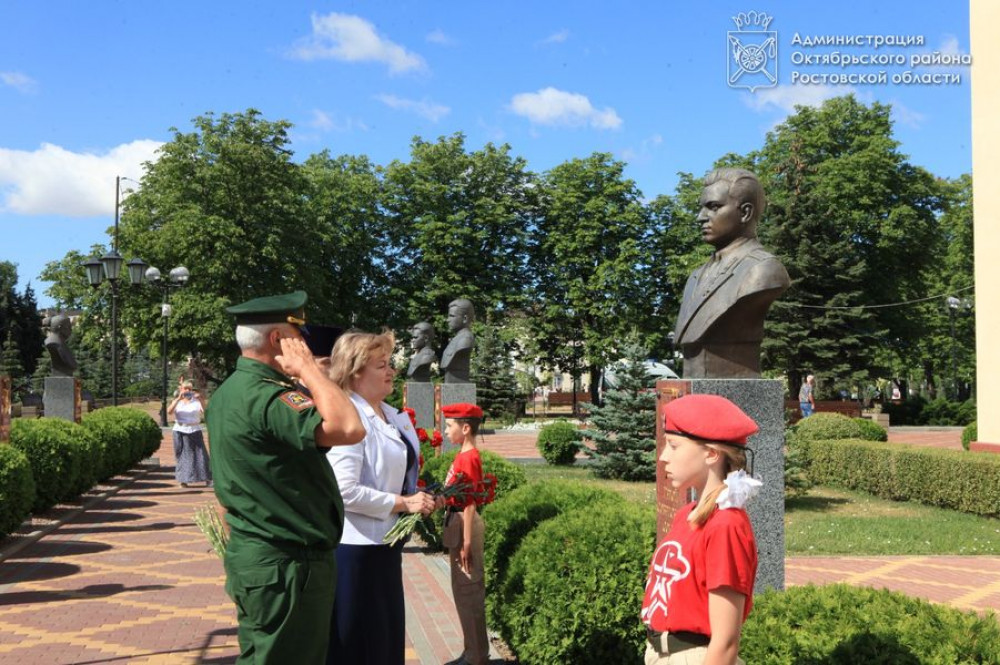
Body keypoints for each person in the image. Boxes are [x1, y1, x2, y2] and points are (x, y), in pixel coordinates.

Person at [207, 290, 365, 665]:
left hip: (264, 558)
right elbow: (348, 428)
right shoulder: (267, 395)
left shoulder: (229, 392)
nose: (305, 344)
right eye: (299, 335)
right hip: (288, 564)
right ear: (278, 339)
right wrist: (309, 370)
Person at [325, 330, 437, 665]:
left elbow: (399, 472)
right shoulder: (349, 416)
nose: (391, 371)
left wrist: (420, 495)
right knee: (357, 647)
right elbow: (343, 490)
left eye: (389, 363)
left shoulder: (389, 413)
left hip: (384, 546)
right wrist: (404, 503)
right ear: (355, 372)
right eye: (381, 365)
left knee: (384, 643)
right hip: (357, 550)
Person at [641, 394, 761, 665]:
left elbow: (725, 642)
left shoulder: (726, 525)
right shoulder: (687, 514)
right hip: (662, 654)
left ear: (711, 454)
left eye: (674, 446)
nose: (663, 457)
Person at [673, 168, 790, 378]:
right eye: (701, 208)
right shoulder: (695, 276)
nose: (701, 217)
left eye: (713, 207)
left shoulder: (762, 270)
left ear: (745, 213)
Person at [442, 402, 489, 665]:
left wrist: (467, 543)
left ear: (466, 428)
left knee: (469, 593)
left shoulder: (468, 457)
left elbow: (470, 502)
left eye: (450, 426)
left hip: (464, 525)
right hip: (459, 524)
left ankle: (476, 657)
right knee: (463, 593)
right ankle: (471, 651)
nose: (446, 431)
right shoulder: (463, 454)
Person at [167, 378, 210, 488]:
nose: (187, 391)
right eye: (185, 388)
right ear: (181, 389)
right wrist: (178, 399)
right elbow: (169, 412)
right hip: (180, 430)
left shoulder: (196, 401)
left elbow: (205, 411)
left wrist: (201, 399)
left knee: (201, 454)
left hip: (194, 430)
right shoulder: (177, 401)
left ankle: (208, 478)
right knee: (183, 455)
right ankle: (183, 480)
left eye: (189, 389)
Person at [440, 298, 476, 383]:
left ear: (465, 318)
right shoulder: (457, 338)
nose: (447, 320)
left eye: (452, 316)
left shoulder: (465, 339)